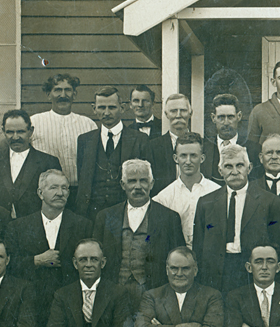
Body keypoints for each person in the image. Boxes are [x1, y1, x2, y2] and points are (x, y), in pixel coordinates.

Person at [4, 169, 92, 327]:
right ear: (39, 192)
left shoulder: (83, 225)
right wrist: (36, 261)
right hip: (31, 302)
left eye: (65, 188)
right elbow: (7, 265)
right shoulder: (18, 227)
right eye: (54, 187)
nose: (60, 193)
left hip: (69, 301)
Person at [192, 144, 280, 293]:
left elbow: (279, 243)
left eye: (240, 166)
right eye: (228, 166)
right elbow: (198, 246)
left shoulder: (269, 201)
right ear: (220, 170)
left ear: (249, 168)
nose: (235, 172)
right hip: (217, 275)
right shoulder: (206, 203)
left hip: (251, 273)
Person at [93, 160, 185, 292]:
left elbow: (178, 260)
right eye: (132, 181)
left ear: (151, 184)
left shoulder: (169, 218)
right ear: (123, 185)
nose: (138, 186)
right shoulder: (105, 217)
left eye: (143, 180)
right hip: (114, 292)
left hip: (154, 293)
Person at [74, 86, 150, 221]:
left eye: (112, 107)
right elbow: (83, 177)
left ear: (122, 108)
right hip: (92, 213)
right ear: (94, 108)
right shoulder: (84, 140)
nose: (107, 112)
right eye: (102, 107)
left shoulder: (139, 139)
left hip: (125, 213)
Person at [29, 74, 96, 204]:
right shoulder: (34, 122)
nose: (63, 95)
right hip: (44, 193)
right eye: (58, 90)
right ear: (49, 95)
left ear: (74, 95)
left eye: (68, 90)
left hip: (78, 192)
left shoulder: (88, 124)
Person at [0, 109, 62, 219]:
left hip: (32, 227)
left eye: (20, 132)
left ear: (31, 131)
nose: (15, 137)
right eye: (10, 132)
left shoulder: (48, 162)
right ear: (3, 131)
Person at [153, 132, 221, 247]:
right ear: (175, 158)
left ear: (202, 158)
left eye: (193, 155)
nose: (188, 161)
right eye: (183, 155)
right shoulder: (164, 197)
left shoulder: (216, 191)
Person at [146, 93, 219, 194]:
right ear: (166, 114)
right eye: (173, 111)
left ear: (190, 113)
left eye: (183, 110)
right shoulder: (152, 147)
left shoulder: (207, 146)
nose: (178, 115)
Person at [210, 93, 261, 169]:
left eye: (230, 117)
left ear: (239, 116)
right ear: (213, 118)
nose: (226, 122)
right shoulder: (204, 148)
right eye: (221, 117)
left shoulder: (253, 149)